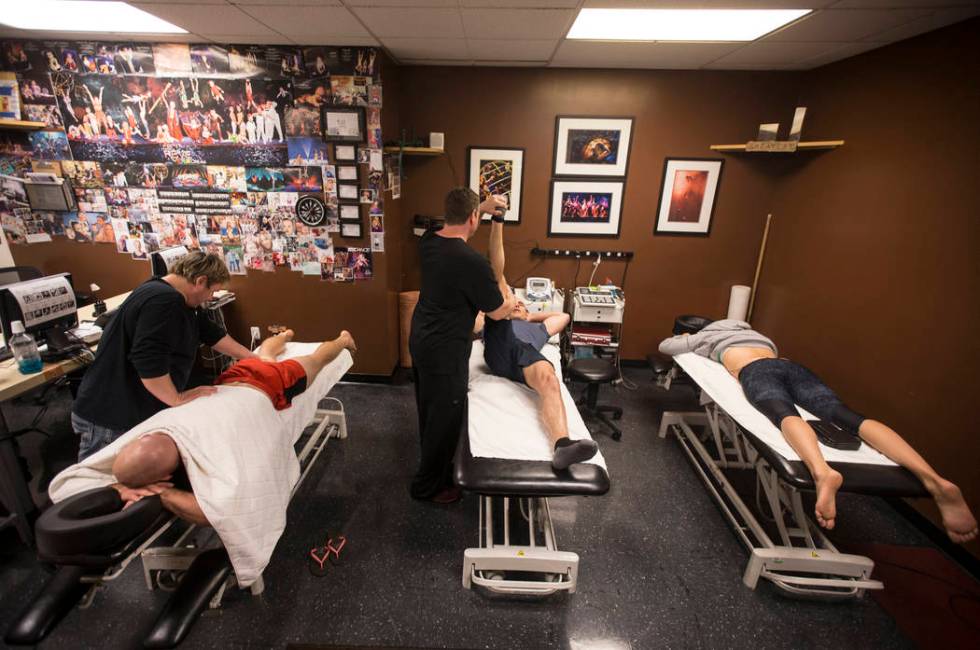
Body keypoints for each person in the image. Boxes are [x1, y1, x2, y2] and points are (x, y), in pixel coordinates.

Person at [659, 320, 978, 543]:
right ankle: (935, 480)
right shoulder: (759, 336)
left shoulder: (706, 337)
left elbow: (667, 346)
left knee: (783, 414)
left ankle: (822, 472)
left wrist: (693, 337)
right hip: (791, 366)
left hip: (755, 371)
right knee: (847, 417)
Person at [105, 328, 357, 524]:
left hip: (262, 386)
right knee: (264, 358)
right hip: (229, 386)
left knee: (315, 360)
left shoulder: (189, 448)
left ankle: (342, 341)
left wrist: (160, 493)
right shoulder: (162, 435)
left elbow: (219, 513)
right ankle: (289, 335)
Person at [71, 252, 258, 460]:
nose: (211, 298)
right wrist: (176, 398)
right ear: (200, 281)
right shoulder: (164, 301)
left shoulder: (180, 299)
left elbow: (211, 333)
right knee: (99, 486)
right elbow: (147, 359)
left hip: (126, 406)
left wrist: (252, 358)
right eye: (212, 291)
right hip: (111, 415)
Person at [408, 188, 516, 503]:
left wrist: (482, 207)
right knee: (445, 419)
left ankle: (435, 468)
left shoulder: (428, 241)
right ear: (473, 218)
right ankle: (427, 488)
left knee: (429, 410)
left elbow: (453, 220)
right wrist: (510, 300)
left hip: (422, 341)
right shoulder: (471, 262)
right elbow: (496, 311)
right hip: (445, 351)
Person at [476, 215, 597, 470]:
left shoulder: (538, 329)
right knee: (497, 280)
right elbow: (477, 324)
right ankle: (498, 223)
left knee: (550, 379)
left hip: (525, 357)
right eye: (514, 301)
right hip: (500, 348)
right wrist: (504, 309)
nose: (517, 304)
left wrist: (529, 314)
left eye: (520, 303)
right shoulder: (497, 319)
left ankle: (562, 446)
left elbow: (563, 316)